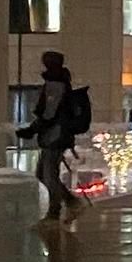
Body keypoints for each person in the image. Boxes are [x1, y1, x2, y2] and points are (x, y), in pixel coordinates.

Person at [19, 51, 89, 220]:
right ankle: (70, 202)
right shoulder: (59, 82)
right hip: (55, 135)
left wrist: (33, 129)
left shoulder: (56, 84)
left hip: (55, 136)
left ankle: (56, 210)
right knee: (43, 174)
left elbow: (49, 114)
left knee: (48, 175)